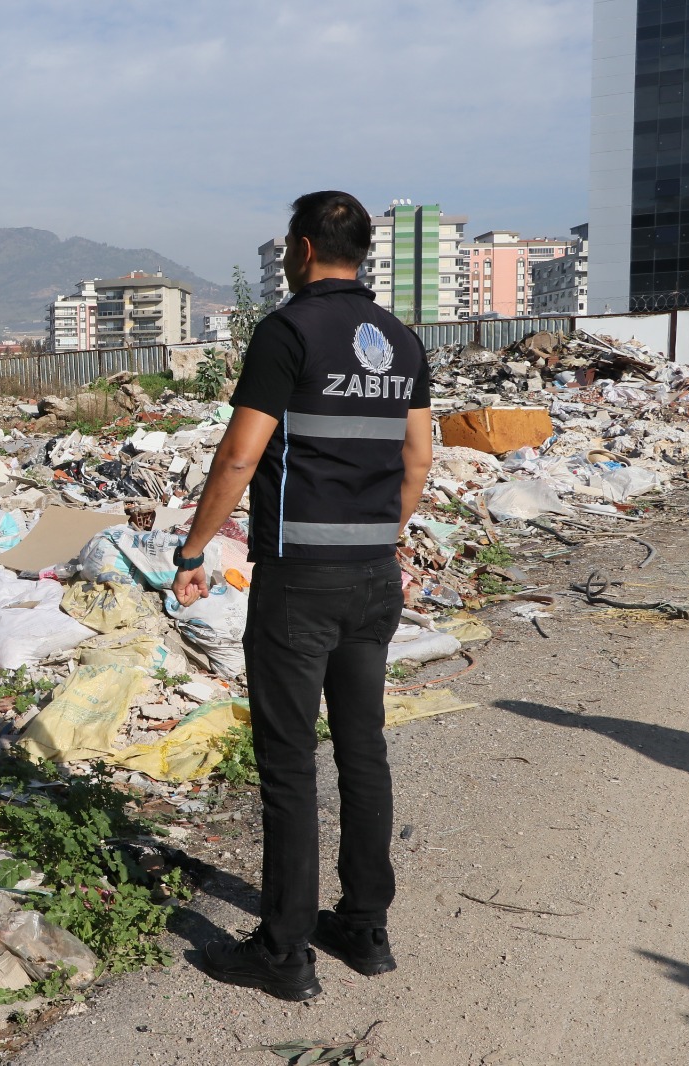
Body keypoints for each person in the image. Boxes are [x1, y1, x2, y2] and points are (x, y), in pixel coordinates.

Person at [170, 191, 433, 1001]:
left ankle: (284, 952)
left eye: (289, 242)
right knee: (363, 749)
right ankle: (364, 924)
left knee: (288, 766)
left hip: (299, 583)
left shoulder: (286, 331)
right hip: (372, 577)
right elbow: (419, 461)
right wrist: (375, 535)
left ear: (306, 246)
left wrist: (192, 547)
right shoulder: (401, 339)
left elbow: (240, 458)